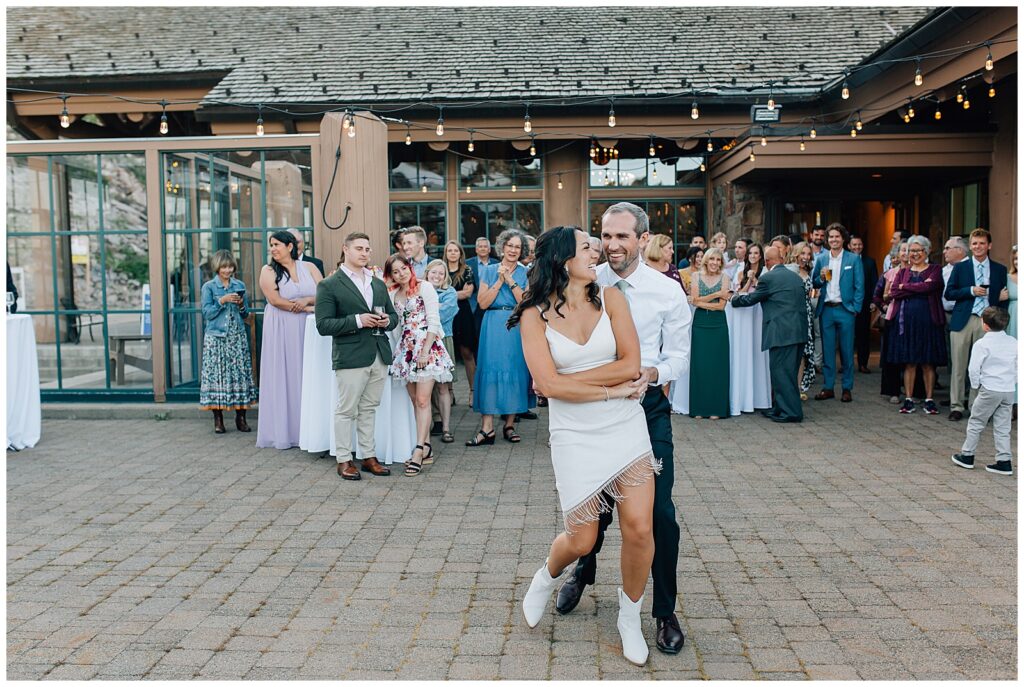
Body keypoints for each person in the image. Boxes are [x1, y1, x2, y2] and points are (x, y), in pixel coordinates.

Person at [513, 226, 655, 665]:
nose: (597, 253)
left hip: (625, 426)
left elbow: (631, 363)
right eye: (586, 248)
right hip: (574, 434)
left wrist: (567, 382)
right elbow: (550, 385)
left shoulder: (611, 298)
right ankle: (545, 576)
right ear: (561, 260)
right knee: (581, 540)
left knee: (640, 528)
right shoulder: (533, 316)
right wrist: (609, 387)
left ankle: (629, 617)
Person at [556, 202, 691, 657]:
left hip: (647, 408)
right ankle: (583, 570)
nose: (612, 245)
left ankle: (664, 610)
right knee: (593, 505)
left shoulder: (667, 291)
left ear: (643, 238)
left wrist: (651, 374)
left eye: (622, 237)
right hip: (593, 409)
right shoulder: (584, 283)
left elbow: (680, 356)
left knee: (659, 517)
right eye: (605, 236)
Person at [314, 231, 398, 479]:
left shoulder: (377, 283)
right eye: (359, 248)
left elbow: (393, 318)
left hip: (379, 354)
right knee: (346, 410)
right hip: (350, 355)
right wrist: (358, 321)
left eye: (368, 249)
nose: (364, 253)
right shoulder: (329, 284)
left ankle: (368, 457)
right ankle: (343, 459)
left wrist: (386, 321)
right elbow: (323, 325)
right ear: (346, 249)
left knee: (369, 408)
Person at [385, 254, 455, 475]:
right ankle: (426, 447)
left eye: (403, 268)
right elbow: (397, 327)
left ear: (410, 267)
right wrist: (399, 353)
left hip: (427, 346)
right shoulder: (394, 293)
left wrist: (425, 350)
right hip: (406, 350)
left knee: (424, 400)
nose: (401, 273)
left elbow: (434, 319)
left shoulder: (424, 287)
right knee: (416, 401)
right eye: (395, 271)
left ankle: (418, 450)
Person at [256, 231, 322, 450]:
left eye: (277, 244)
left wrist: (307, 302)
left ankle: (311, 429)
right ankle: (285, 431)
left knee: (308, 373)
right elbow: (274, 300)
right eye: (271, 245)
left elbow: (323, 292)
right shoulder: (267, 271)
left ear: (290, 246)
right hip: (282, 326)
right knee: (285, 373)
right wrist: (302, 307)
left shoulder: (310, 268)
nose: (273, 248)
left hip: (309, 325)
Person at [468, 229, 534, 446]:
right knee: (490, 369)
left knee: (514, 369)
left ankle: (509, 424)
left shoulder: (526, 273)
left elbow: (524, 302)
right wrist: (499, 280)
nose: (513, 250)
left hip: (515, 322)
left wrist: (510, 280)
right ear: (502, 247)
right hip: (493, 322)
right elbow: (483, 303)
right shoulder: (489, 270)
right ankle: (487, 428)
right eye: (510, 245)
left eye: (517, 246)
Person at [731, 245, 809, 422]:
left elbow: (752, 299)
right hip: (798, 330)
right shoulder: (795, 277)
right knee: (789, 371)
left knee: (781, 372)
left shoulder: (768, 278)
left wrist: (734, 300)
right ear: (781, 259)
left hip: (781, 332)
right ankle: (780, 408)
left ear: (766, 261)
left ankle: (791, 413)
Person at [945, 228, 1009, 421]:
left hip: (987, 322)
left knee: (982, 368)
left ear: (989, 245)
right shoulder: (960, 268)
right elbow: (949, 293)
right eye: (974, 243)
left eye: (982, 243)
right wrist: (971, 290)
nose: (978, 247)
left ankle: (976, 407)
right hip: (964, 320)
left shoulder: (999, 269)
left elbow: (1003, 299)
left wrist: (999, 299)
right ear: (970, 247)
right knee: (959, 365)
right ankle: (956, 405)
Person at [885, 236, 947, 415]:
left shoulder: (935, 269)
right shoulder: (903, 272)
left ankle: (929, 399)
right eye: (912, 251)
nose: (915, 254)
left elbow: (931, 287)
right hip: (907, 324)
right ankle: (909, 399)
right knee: (909, 363)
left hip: (929, 323)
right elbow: (894, 291)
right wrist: (913, 286)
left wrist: (907, 287)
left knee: (928, 363)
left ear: (926, 252)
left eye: (919, 251)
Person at [951, 307, 1017, 475]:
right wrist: (1013, 382)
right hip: (1008, 389)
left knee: (976, 421)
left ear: (985, 325)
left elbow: (973, 369)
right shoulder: (1014, 342)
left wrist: (976, 385)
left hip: (989, 388)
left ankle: (967, 455)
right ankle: (1004, 460)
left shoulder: (982, 344)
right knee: (1003, 426)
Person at [199, 250, 257, 433]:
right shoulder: (209, 287)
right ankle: (218, 420)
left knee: (239, 377)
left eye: (230, 266)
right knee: (216, 377)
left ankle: (241, 419)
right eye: (224, 266)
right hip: (216, 338)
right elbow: (207, 313)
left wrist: (241, 305)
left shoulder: (238, 285)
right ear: (217, 267)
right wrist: (222, 301)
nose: (227, 270)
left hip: (237, 336)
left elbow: (246, 314)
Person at [811, 223, 864, 403]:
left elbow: (859, 286)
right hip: (826, 309)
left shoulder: (853, 259)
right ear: (827, 240)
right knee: (827, 351)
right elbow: (815, 284)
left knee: (847, 351)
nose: (834, 240)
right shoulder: (821, 259)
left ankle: (847, 388)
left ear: (843, 239)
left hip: (845, 309)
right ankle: (828, 387)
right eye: (831, 237)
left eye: (837, 236)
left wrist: (855, 309)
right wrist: (821, 277)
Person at [688, 248, 731, 419]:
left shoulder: (725, 278)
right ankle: (699, 408)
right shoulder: (696, 276)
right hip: (700, 324)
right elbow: (694, 301)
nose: (714, 262)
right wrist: (716, 294)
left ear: (721, 262)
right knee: (700, 365)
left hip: (718, 324)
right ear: (706, 260)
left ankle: (717, 409)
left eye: (718, 260)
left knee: (717, 366)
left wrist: (701, 301)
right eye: (711, 259)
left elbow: (721, 306)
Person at [728, 243, 771, 414]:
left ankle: (760, 396)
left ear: (760, 256)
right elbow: (740, 293)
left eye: (756, 253)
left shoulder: (766, 272)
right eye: (750, 253)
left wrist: (755, 279)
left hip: (759, 310)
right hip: (745, 312)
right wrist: (748, 280)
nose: (753, 256)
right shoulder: (741, 271)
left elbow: (764, 290)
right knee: (746, 349)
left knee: (759, 350)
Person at [426, 259, 459, 444]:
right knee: (425, 386)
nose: (437, 276)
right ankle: (430, 423)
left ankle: (446, 428)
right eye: (434, 272)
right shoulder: (420, 289)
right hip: (423, 341)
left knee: (443, 386)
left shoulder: (450, 293)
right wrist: (434, 307)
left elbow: (445, 314)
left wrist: (430, 308)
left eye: (441, 273)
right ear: (427, 273)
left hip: (443, 339)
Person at [875, 241, 910, 403]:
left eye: (909, 250)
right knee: (893, 355)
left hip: (912, 318)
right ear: (897, 254)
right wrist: (884, 307)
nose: (906, 253)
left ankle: (914, 391)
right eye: (903, 250)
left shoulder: (920, 273)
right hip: (893, 318)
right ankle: (893, 391)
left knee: (912, 356)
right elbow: (877, 296)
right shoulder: (889, 274)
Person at [445, 240, 478, 403]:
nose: (452, 253)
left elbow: (467, 293)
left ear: (460, 253)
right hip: (445, 315)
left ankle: (473, 391)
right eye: (449, 250)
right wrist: (456, 294)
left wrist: (446, 295)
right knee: (447, 353)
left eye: (455, 250)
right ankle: (449, 392)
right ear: (446, 253)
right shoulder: (441, 270)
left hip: (463, 314)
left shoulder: (467, 270)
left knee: (467, 352)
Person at [788, 242, 817, 398]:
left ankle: (798, 389)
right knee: (792, 352)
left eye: (808, 254)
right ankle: (789, 388)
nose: (806, 257)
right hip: (793, 314)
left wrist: (813, 295)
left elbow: (809, 293)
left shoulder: (809, 271)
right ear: (796, 254)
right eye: (803, 254)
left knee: (803, 353)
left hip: (806, 315)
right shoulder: (790, 270)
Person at [848, 234, 878, 373]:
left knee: (863, 335)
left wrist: (873, 301)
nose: (857, 247)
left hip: (864, 304)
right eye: (854, 244)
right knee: (846, 335)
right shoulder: (844, 260)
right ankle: (845, 364)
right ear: (849, 246)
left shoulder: (870, 262)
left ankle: (862, 364)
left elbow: (874, 283)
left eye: (859, 244)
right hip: (846, 304)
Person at [467, 236, 495, 348]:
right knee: (475, 335)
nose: (483, 249)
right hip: (474, 304)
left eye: (485, 246)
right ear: (476, 249)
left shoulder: (496, 263)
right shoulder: (468, 263)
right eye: (480, 246)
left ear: (489, 249)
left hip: (491, 303)